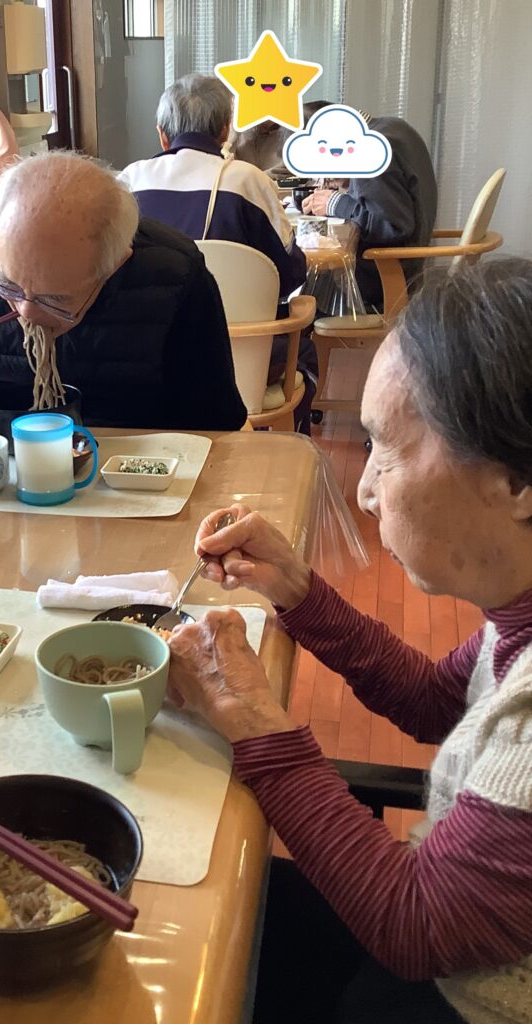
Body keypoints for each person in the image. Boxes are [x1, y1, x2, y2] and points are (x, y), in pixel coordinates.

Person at [168, 258, 532, 1022]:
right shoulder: (517, 620)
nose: (365, 490)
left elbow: (417, 927)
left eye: (386, 450)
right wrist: (298, 590)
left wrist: (253, 722)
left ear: (516, 484)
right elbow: (436, 701)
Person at [0, 151, 247, 431]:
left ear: (115, 264)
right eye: (7, 284)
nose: (24, 311)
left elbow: (216, 422)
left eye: (54, 300)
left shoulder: (174, 274)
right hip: (2, 475)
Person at [119, 73, 306, 299]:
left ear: (162, 135)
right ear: (226, 130)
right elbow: (290, 273)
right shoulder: (248, 181)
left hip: (149, 320)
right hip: (240, 321)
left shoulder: (130, 181)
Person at [302, 103, 438, 312]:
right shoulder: (392, 128)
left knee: (299, 294)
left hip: (384, 275)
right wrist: (349, 183)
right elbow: (393, 201)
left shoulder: (371, 155)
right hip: (409, 265)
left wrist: (335, 203)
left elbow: (390, 227)